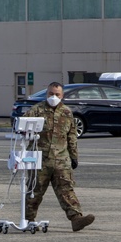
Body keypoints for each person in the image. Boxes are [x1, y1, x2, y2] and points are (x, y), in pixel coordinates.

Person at [22, 82, 95, 232]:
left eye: (57, 94)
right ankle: (28, 219)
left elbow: (72, 136)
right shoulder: (36, 110)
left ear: (62, 96)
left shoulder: (67, 112)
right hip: (40, 159)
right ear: (46, 94)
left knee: (66, 189)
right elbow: (21, 127)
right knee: (34, 191)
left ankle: (76, 219)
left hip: (61, 160)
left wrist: (74, 156)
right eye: (51, 94)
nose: (53, 97)